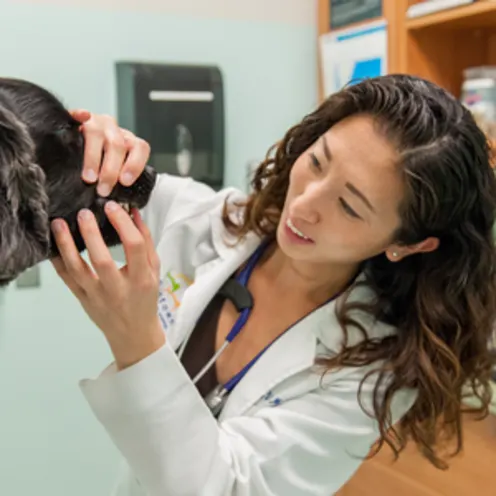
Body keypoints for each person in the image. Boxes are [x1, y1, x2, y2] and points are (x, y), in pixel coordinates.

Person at [51, 74, 496, 496]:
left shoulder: (374, 374)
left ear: (408, 243)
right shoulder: (213, 223)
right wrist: (87, 150)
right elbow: (89, 188)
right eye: (317, 162)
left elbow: (228, 488)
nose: (303, 204)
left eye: (349, 205)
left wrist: (136, 340)